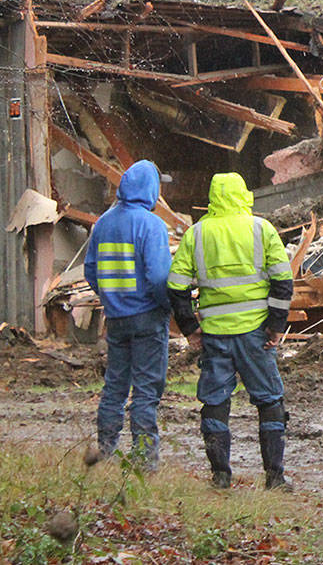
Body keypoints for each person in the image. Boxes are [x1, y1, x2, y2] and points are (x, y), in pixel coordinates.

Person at [167, 173, 294, 489]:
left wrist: (190, 330)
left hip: (215, 336)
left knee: (215, 402)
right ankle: (275, 477)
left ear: (212, 197)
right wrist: (276, 327)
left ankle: (221, 476)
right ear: (245, 195)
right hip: (257, 336)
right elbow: (283, 281)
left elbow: (176, 285)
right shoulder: (261, 229)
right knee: (269, 401)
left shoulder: (196, 234)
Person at [84, 160, 173, 472]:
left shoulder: (103, 223)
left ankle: (105, 451)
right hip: (148, 316)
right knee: (146, 392)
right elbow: (161, 277)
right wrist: (167, 306)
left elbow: (91, 270)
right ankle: (144, 463)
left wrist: (111, 297)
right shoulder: (151, 225)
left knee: (115, 387)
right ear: (151, 190)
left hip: (116, 318)